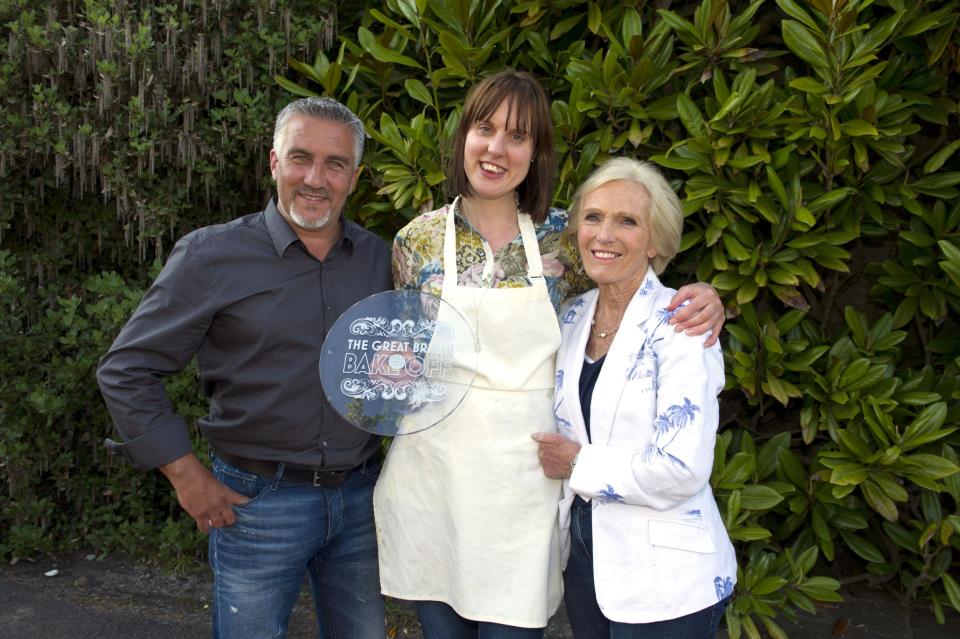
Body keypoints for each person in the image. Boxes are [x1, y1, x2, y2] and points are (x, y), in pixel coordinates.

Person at [375, 70, 726, 638]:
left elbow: (632, 289)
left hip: (527, 488)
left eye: (518, 136)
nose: (496, 149)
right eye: (484, 128)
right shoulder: (414, 242)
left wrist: (706, 300)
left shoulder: (566, 237)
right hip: (432, 483)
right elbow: (402, 362)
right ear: (463, 135)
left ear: (535, 154)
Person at [96, 97, 392, 639]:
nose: (315, 179)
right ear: (274, 162)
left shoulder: (382, 261)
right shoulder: (212, 256)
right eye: (300, 158)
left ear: (355, 176)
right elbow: (127, 369)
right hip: (256, 504)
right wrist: (186, 477)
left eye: (335, 164)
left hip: (360, 500)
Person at [532, 157, 736, 639]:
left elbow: (682, 468)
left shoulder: (683, 323)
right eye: (593, 217)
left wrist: (577, 463)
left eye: (627, 221)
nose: (605, 235)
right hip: (586, 560)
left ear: (656, 241)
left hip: (666, 578)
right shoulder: (569, 317)